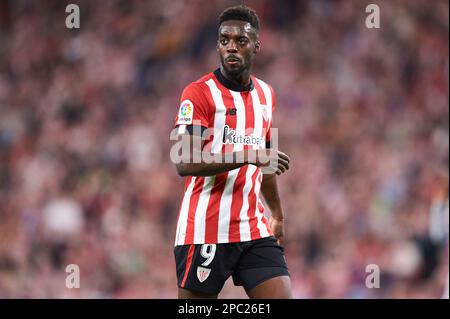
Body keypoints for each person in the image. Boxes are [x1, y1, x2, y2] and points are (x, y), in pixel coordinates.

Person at [171, 5, 292, 299]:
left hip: (253, 228)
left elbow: (265, 156)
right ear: (217, 45)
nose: (231, 48)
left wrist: (276, 213)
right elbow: (184, 162)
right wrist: (248, 156)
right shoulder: (198, 93)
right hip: (205, 228)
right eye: (225, 40)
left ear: (256, 46)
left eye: (240, 41)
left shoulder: (266, 94)